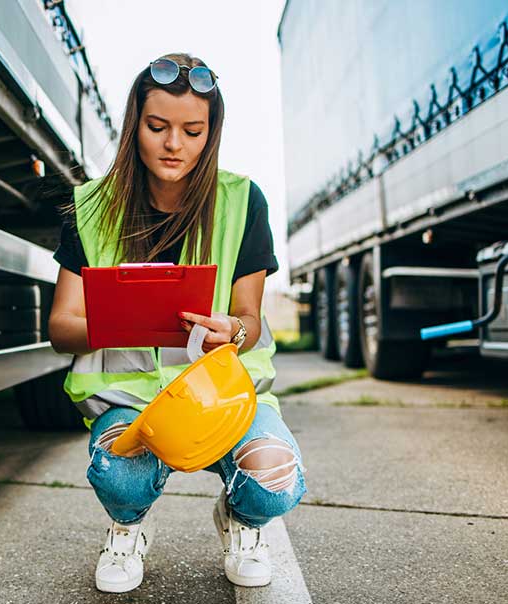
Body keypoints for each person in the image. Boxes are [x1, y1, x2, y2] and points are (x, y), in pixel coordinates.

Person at [49, 52, 306, 594]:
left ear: (211, 134)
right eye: (157, 126)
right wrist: (121, 321)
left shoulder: (243, 201)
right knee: (120, 479)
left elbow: (249, 319)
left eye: (193, 131)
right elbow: (61, 328)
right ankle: (128, 526)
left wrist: (233, 332)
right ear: (134, 125)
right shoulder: (90, 207)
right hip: (131, 405)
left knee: (275, 482)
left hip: (223, 396)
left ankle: (241, 519)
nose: (174, 145)